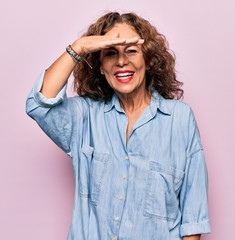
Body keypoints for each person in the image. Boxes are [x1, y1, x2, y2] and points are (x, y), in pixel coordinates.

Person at [26, 12, 210, 240]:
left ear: (148, 61)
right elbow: (38, 104)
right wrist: (79, 48)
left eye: (131, 51)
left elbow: (193, 218)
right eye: (110, 53)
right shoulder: (86, 116)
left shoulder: (180, 119)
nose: (121, 61)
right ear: (101, 67)